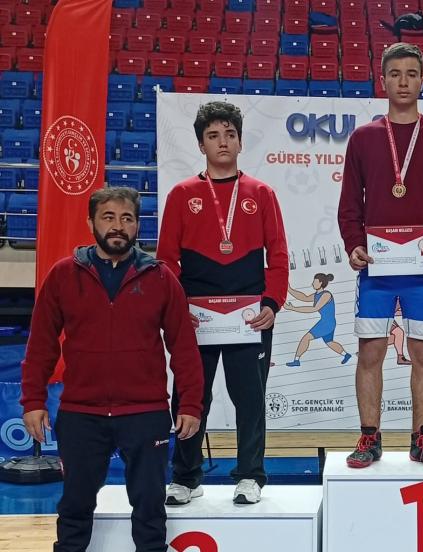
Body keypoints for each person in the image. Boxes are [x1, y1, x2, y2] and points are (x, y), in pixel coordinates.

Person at [21, 187, 204, 552]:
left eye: (127, 218)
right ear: (91, 222)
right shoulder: (63, 275)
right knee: (74, 508)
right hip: (81, 414)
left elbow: (184, 347)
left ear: (137, 225)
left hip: (145, 413)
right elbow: (40, 344)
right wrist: (33, 401)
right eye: (108, 217)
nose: (118, 226)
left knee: (150, 509)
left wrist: (190, 405)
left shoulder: (161, 277)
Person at [338, 42, 423, 469]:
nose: (403, 82)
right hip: (376, 268)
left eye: (411, 74)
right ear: (383, 81)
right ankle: (369, 436)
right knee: (370, 352)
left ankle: (422, 438)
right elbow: (349, 202)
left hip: (422, 268)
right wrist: (353, 243)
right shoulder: (363, 138)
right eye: (395, 74)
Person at [157, 101, 290, 505]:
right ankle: (186, 477)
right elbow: (167, 260)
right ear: (201, 145)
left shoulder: (261, 193)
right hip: (196, 318)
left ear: (240, 142)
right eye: (213, 136)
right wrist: (177, 311)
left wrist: (272, 303)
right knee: (190, 397)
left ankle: (250, 475)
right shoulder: (182, 195)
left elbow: (278, 255)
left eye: (230, 135)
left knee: (249, 399)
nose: (223, 142)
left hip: (249, 317)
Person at [283, 273, 352, 366]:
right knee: (329, 342)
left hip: (326, 323)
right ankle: (346, 355)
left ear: (320, 283)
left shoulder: (326, 295)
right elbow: (304, 297)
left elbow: (314, 308)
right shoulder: (317, 295)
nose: (312, 284)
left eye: (315, 282)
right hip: (328, 322)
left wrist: (293, 308)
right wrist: (289, 289)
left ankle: (296, 360)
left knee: (306, 338)